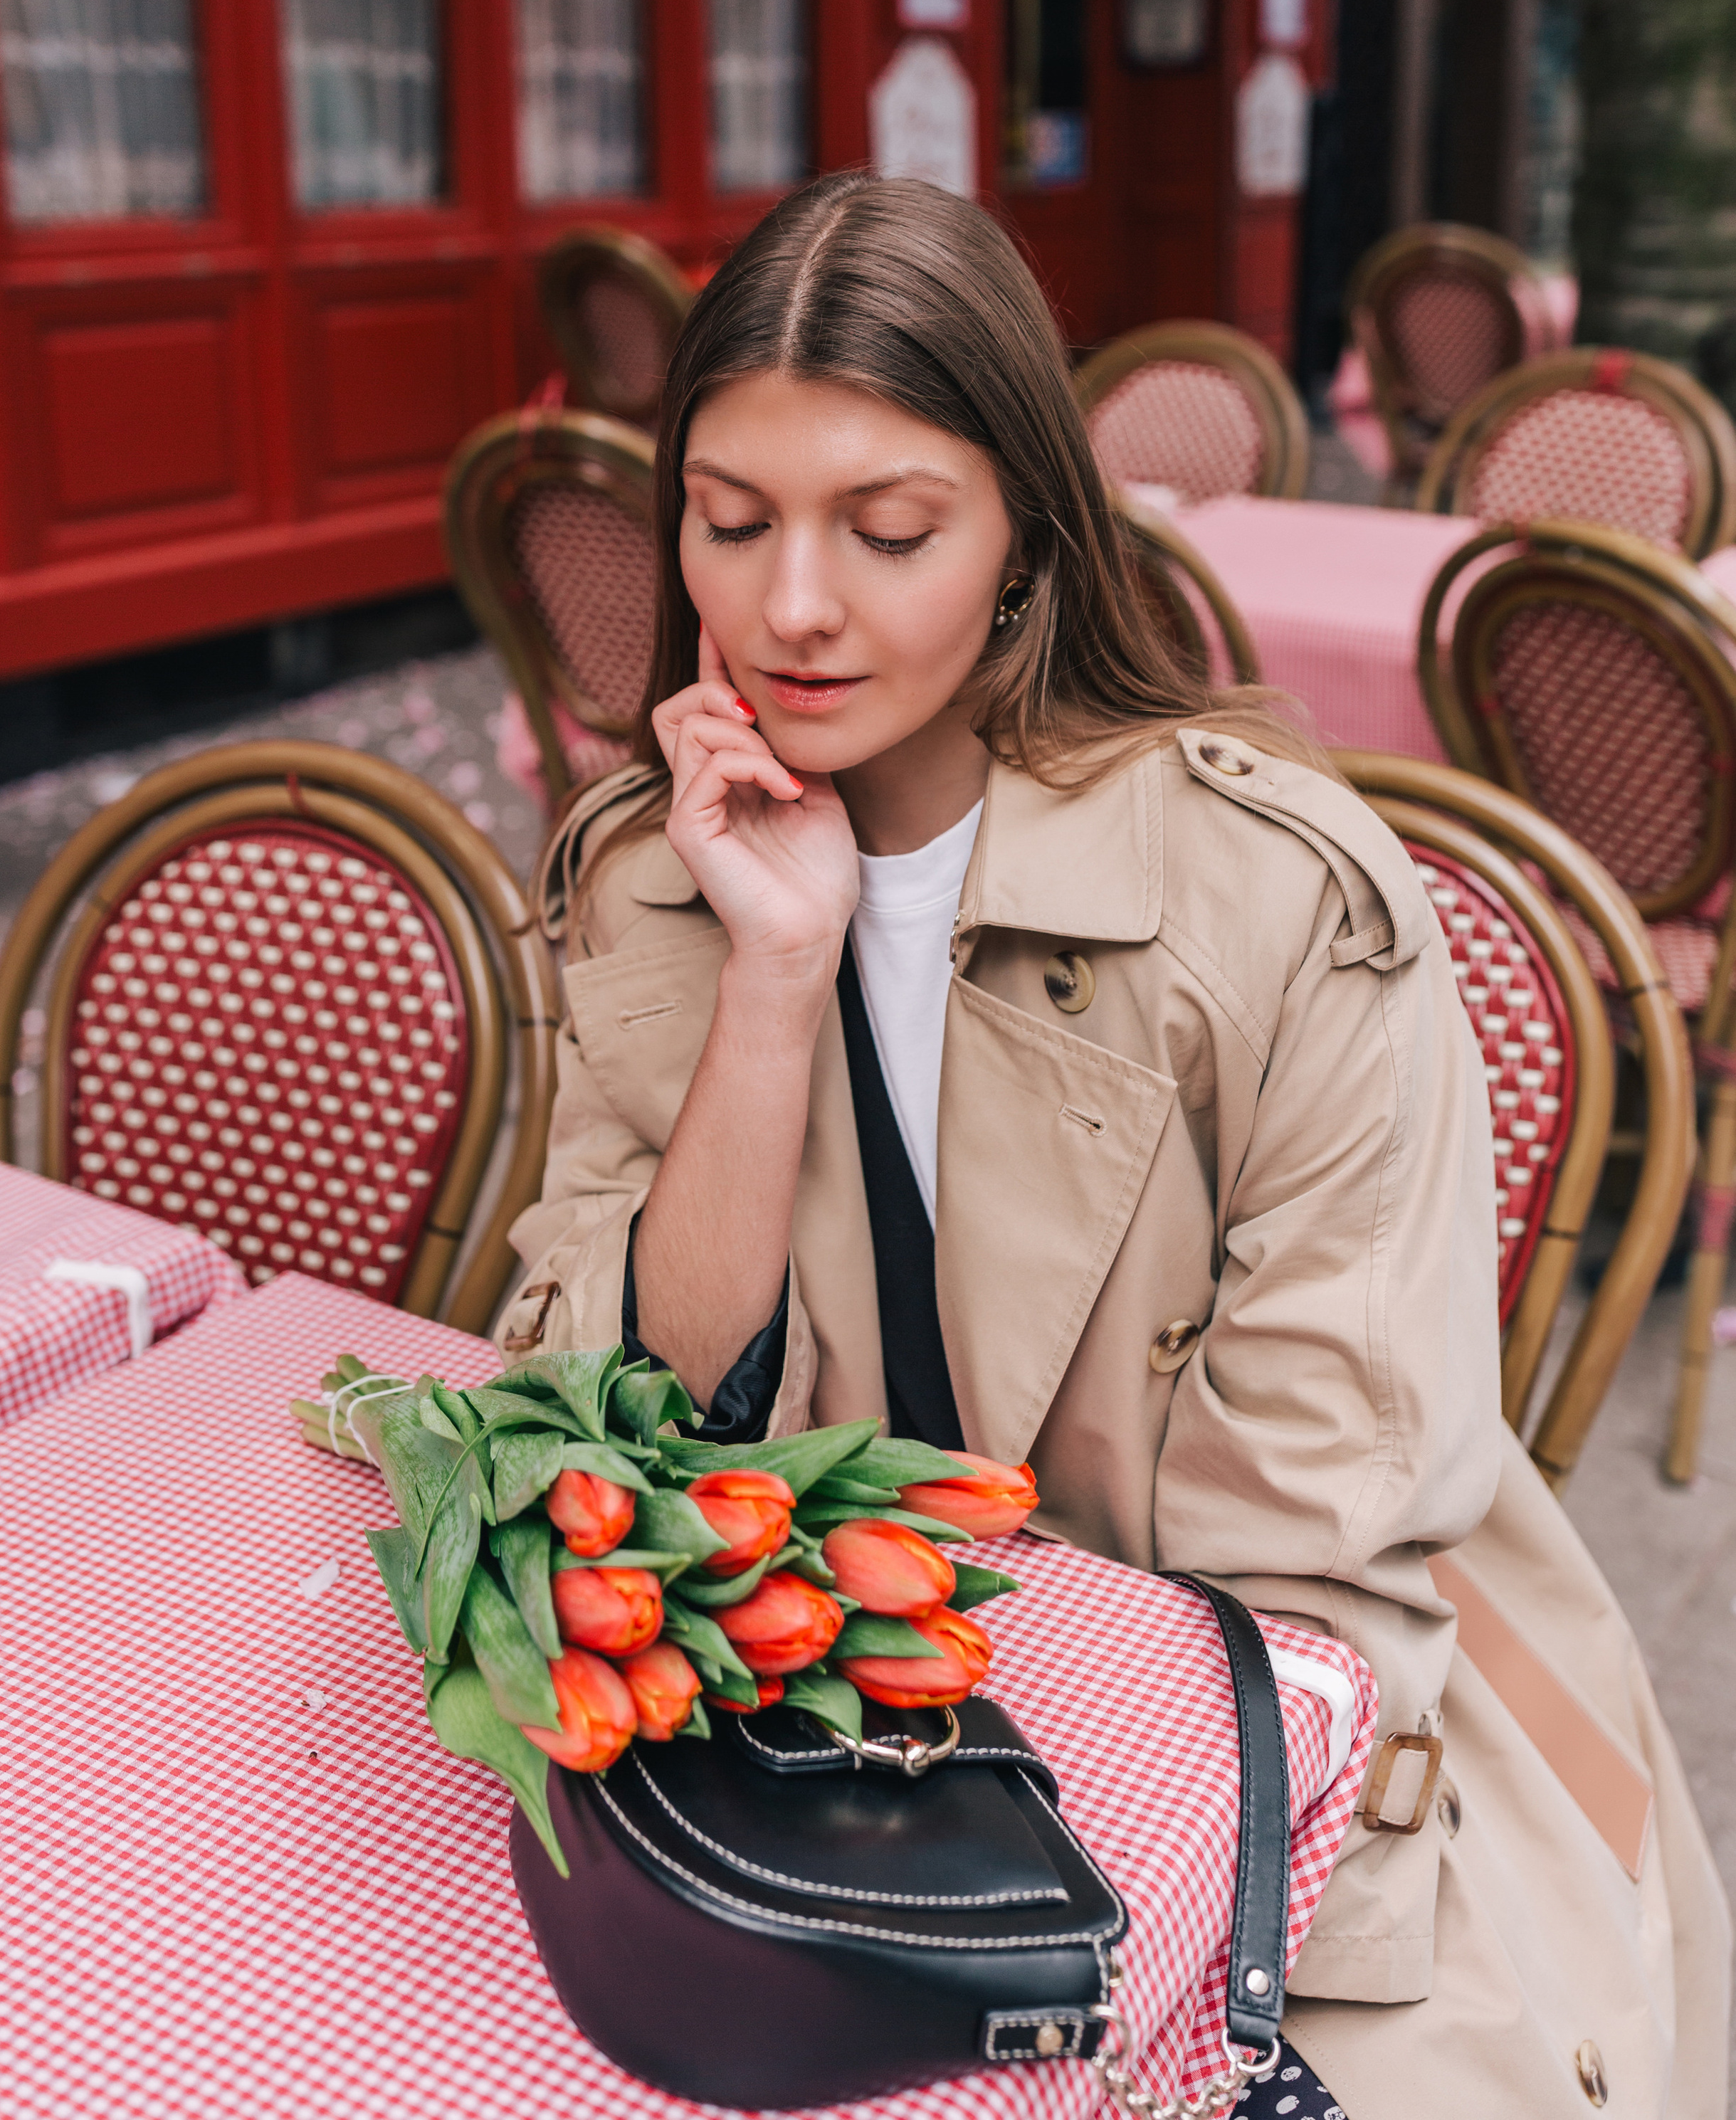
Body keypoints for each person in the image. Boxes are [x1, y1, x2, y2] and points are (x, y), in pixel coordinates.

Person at [498, 171, 1727, 2116]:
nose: (791, 606)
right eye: (729, 525)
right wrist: (775, 972)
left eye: (887, 530)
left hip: (1290, 1731)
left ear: (1021, 540)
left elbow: (1313, 1549)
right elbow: (617, 1439)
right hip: (833, 1743)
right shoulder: (653, 877)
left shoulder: (1276, 910)